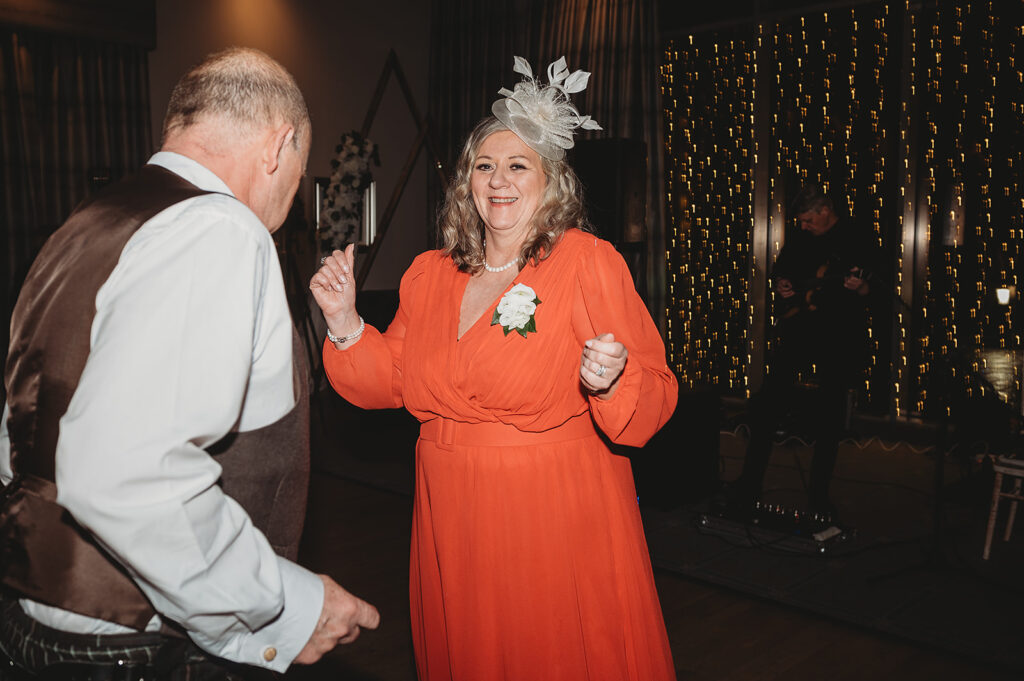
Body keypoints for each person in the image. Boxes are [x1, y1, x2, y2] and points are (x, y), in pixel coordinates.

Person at [0, 47, 379, 680]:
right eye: (300, 169)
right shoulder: (219, 228)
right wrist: (285, 604)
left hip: (37, 619)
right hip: (139, 647)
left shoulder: (86, 225)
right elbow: (127, 468)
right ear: (278, 145)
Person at [311, 56, 678, 680]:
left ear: (550, 181)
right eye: (485, 166)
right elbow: (391, 380)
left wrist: (612, 380)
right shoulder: (430, 275)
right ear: (466, 181)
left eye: (517, 165)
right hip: (448, 511)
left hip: (547, 513)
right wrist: (345, 322)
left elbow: (657, 395)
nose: (499, 181)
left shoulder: (585, 262)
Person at [731, 183, 878, 519]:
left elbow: (874, 288)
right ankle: (748, 483)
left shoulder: (857, 236)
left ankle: (819, 496)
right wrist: (782, 284)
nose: (804, 226)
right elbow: (783, 271)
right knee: (767, 405)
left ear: (826, 211)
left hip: (839, 335)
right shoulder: (802, 237)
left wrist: (862, 287)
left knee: (829, 417)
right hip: (799, 329)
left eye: (809, 220)